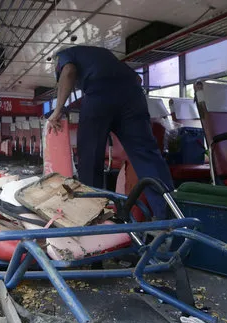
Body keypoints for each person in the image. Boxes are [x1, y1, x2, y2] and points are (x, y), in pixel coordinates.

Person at [47, 45, 174, 218]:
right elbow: (137, 79)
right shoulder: (100, 55)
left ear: (56, 64)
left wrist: (57, 110)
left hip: (99, 94)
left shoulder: (63, 55)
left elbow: (68, 71)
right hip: (133, 96)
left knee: (90, 157)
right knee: (146, 155)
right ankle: (169, 214)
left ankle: (92, 214)